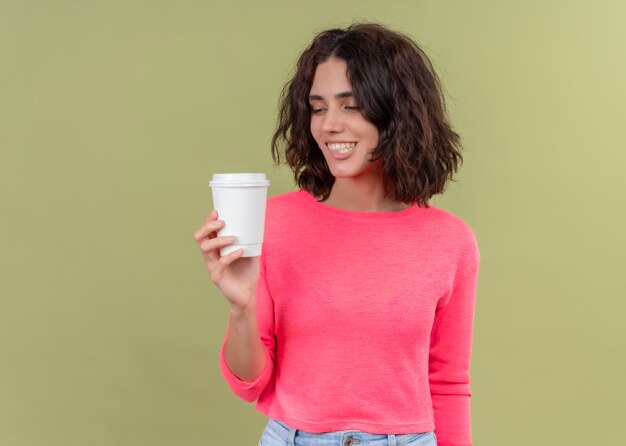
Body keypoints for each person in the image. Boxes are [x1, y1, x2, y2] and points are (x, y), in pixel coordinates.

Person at [193, 22, 480, 446]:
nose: (329, 125)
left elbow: (448, 382)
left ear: (395, 110)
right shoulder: (273, 223)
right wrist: (241, 308)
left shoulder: (451, 242)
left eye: (351, 106)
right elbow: (250, 384)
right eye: (318, 107)